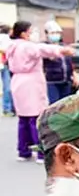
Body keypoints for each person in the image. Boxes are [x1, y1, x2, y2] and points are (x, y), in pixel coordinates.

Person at [6, 21, 74, 161]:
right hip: (31, 82)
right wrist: (61, 50)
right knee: (35, 118)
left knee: (23, 119)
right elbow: (42, 49)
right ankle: (41, 152)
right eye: (31, 31)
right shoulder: (27, 46)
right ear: (24, 33)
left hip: (17, 81)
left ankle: (23, 151)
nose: (33, 34)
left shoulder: (11, 46)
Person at [42, 21, 75, 104]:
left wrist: (74, 76)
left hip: (66, 81)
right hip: (51, 81)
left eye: (57, 32)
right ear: (46, 34)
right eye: (53, 32)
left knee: (65, 105)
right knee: (54, 105)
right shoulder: (43, 47)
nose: (56, 34)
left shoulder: (63, 46)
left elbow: (69, 63)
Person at [0, 24, 14, 116]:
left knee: (6, 87)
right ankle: (7, 109)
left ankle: (7, 108)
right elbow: (7, 50)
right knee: (7, 88)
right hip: (4, 64)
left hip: (4, 64)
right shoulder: (6, 38)